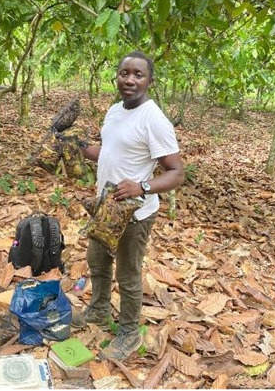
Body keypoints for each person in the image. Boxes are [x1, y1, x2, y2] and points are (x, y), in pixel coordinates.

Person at [73, 51, 185, 360]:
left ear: (150, 80)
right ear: (117, 76)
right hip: (105, 207)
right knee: (97, 261)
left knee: (128, 274)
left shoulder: (154, 120)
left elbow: (177, 173)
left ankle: (129, 332)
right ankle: (97, 311)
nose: (130, 80)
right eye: (125, 73)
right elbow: (109, 152)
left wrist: (143, 186)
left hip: (133, 214)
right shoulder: (114, 111)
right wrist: (80, 147)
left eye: (138, 74)